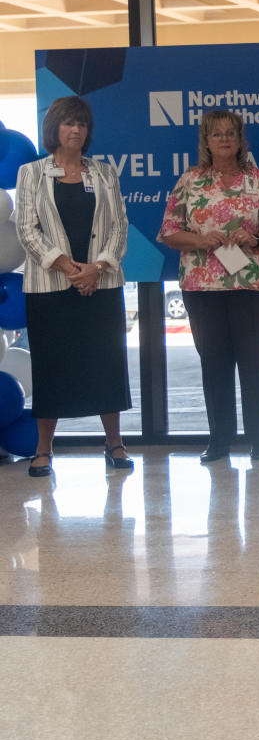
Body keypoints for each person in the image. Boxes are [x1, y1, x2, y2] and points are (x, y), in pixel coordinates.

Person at [157, 109, 259, 463]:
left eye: (230, 133)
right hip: (203, 286)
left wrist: (255, 236)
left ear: (240, 139)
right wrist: (201, 238)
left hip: (256, 286)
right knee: (214, 362)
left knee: (255, 361)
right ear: (206, 140)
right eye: (216, 134)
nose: (224, 139)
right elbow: (169, 232)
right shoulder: (190, 181)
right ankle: (219, 439)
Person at [14, 95, 133, 477]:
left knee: (106, 364)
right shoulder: (31, 173)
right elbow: (26, 229)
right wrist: (69, 268)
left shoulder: (104, 173)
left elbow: (118, 226)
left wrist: (96, 268)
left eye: (81, 124)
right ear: (55, 129)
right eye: (68, 123)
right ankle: (43, 449)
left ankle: (114, 443)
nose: (76, 130)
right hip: (51, 288)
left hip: (101, 284)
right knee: (51, 368)